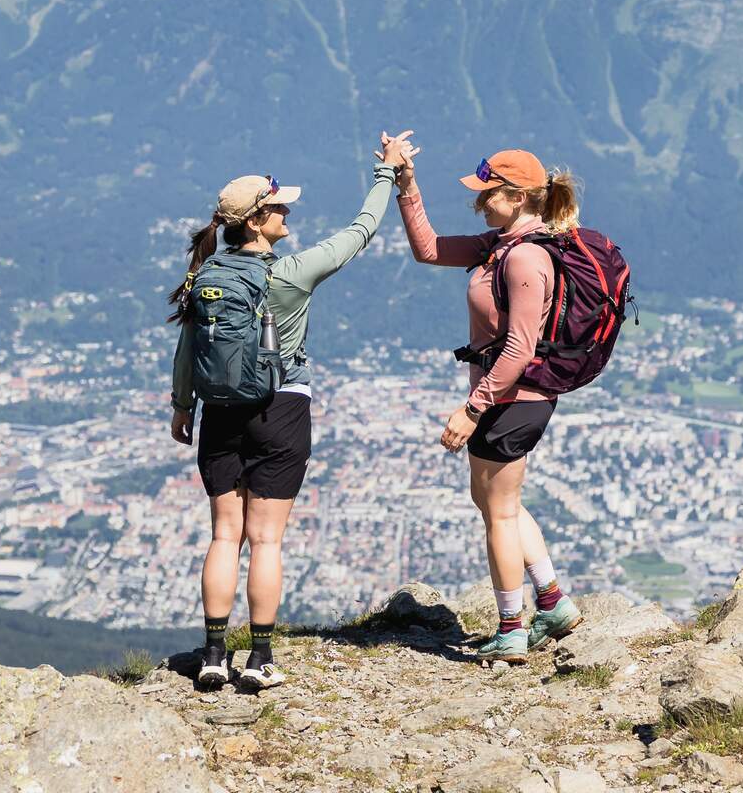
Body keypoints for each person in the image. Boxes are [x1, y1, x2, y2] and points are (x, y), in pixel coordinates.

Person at [168, 149, 403, 691]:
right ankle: (260, 659)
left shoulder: (204, 276)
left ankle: (211, 654)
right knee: (266, 541)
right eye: (278, 209)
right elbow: (361, 231)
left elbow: (187, 348)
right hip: (281, 408)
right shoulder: (292, 275)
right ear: (255, 222)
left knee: (225, 537)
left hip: (220, 412)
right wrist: (386, 174)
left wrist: (183, 405)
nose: (287, 216)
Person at [382, 135, 584, 664]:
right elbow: (428, 249)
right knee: (499, 504)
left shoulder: (525, 259)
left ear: (518, 196)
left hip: (513, 397)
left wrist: (472, 407)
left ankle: (511, 628)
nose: (478, 202)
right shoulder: (499, 246)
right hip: (513, 396)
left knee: (495, 514)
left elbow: (518, 345)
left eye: (487, 193)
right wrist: (406, 184)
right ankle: (553, 601)